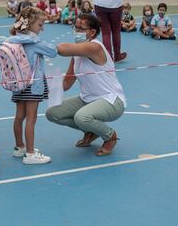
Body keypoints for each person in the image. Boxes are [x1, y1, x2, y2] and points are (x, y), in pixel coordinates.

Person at [46, 14, 126, 156]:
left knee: (81, 117)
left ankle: (110, 136)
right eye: (75, 27)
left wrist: (41, 47)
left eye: (81, 28)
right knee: (52, 113)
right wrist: (44, 88)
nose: (76, 30)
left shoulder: (95, 47)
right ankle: (91, 131)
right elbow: (67, 83)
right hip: (87, 99)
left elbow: (62, 49)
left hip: (111, 100)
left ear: (92, 32)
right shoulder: (77, 53)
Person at [7, 6, 57, 164]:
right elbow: (53, 52)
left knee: (19, 117)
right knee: (31, 119)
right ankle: (30, 154)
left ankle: (19, 147)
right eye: (40, 25)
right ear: (29, 24)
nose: (41, 29)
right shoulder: (34, 41)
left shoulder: (14, 39)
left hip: (19, 83)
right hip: (32, 84)